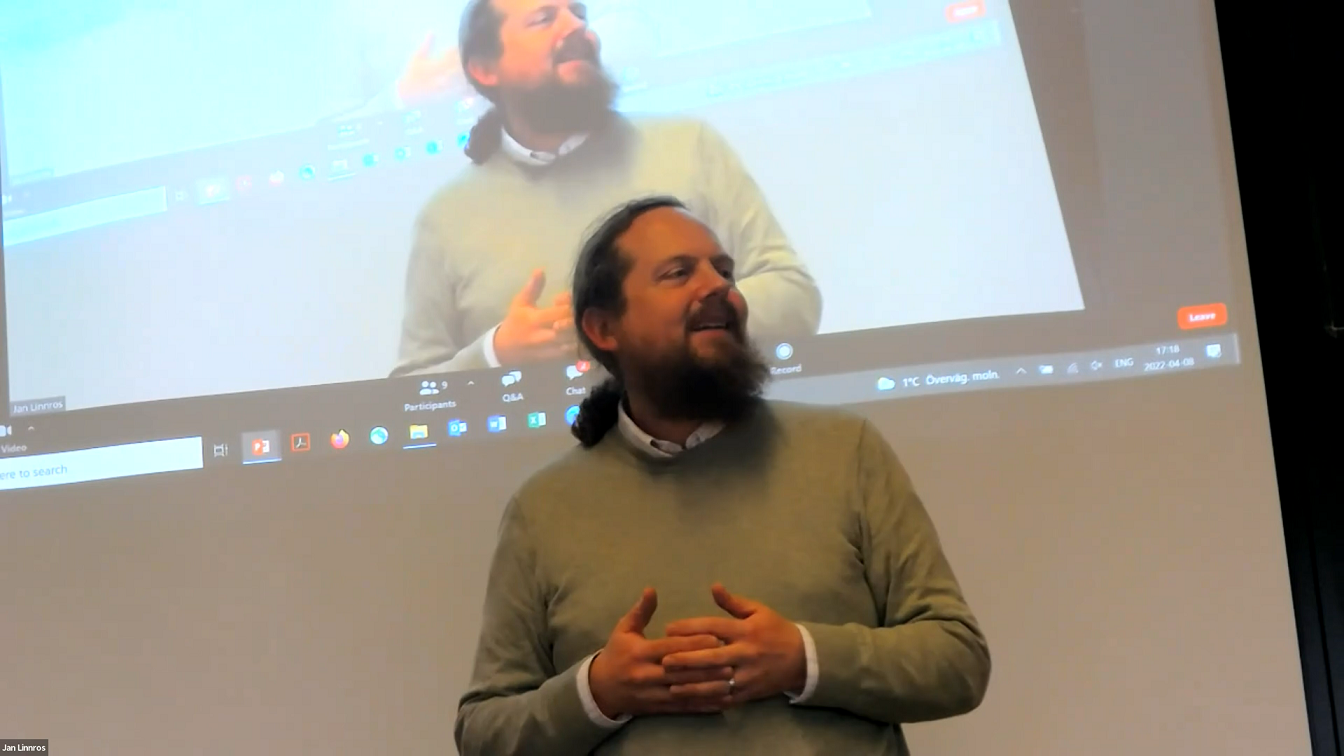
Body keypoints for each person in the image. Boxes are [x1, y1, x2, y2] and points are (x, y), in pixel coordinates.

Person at [454, 196, 990, 755]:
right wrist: (597, 692)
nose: (719, 287)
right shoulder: (544, 508)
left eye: (725, 271)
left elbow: (958, 660)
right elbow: (484, 731)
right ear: (604, 328)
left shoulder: (845, 451)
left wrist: (803, 659)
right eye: (679, 273)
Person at [390, 0, 822, 377]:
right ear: (485, 69)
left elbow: (793, 297)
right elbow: (411, 387)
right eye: (544, 19)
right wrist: (495, 354)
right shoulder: (445, 217)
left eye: (579, 13)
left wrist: (637, 329)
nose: (577, 27)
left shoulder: (690, 148)